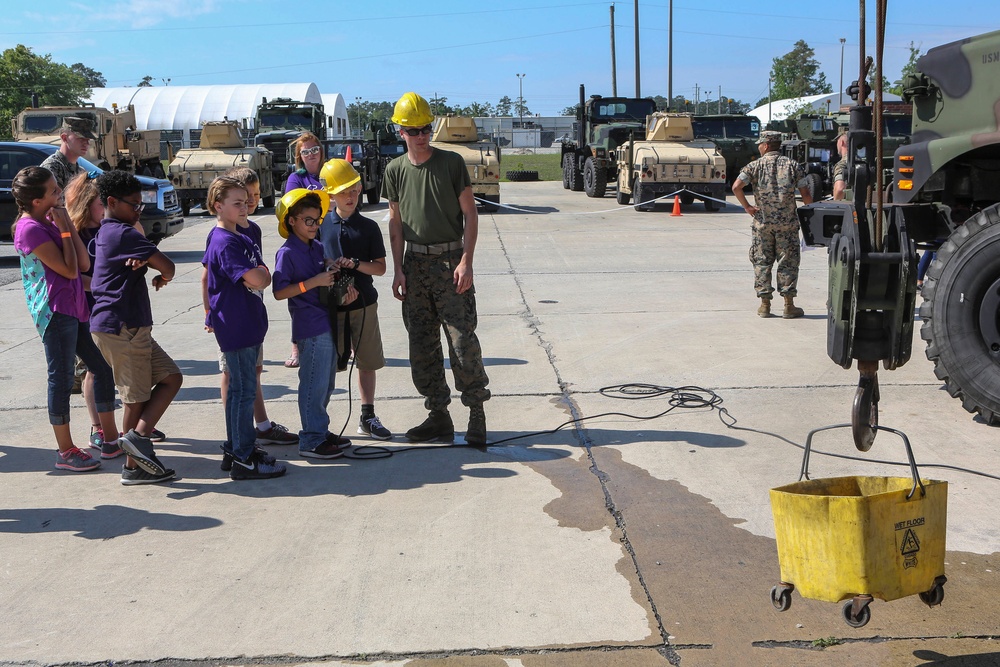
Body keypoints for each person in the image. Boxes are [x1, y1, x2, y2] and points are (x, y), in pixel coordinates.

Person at [382, 92, 490, 446]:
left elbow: (470, 214)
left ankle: (476, 413)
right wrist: (398, 270)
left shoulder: (451, 163)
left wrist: (466, 261)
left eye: (426, 128)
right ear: (400, 131)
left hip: (450, 263)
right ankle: (438, 416)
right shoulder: (395, 170)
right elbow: (395, 224)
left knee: (462, 342)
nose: (421, 135)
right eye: (413, 130)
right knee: (422, 346)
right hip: (414, 266)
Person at [11, 166, 118, 472]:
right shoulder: (30, 228)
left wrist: (66, 221)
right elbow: (69, 271)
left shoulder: (52, 220)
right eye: (54, 191)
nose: (60, 194)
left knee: (101, 368)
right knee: (60, 379)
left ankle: (108, 438)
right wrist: (65, 229)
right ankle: (65, 450)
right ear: (36, 201)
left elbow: (83, 262)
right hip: (54, 311)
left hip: (72, 307)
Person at [90, 171, 181, 485]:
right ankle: (133, 467)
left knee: (171, 377)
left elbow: (148, 259)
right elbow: (168, 266)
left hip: (122, 326)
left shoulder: (110, 231)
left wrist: (144, 260)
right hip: (124, 326)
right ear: (112, 202)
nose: (139, 211)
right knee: (135, 398)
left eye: (142, 205)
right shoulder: (124, 234)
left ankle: (138, 440)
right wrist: (159, 272)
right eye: (134, 206)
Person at [199, 166, 298, 450]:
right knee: (238, 387)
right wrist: (209, 311)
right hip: (233, 322)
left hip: (249, 318)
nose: (248, 205)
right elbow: (257, 277)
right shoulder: (223, 240)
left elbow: (260, 275)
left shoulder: (246, 233)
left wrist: (261, 274)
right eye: (240, 201)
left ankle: (243, 443)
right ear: (219, 205)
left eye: (251, 198)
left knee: (248, 381)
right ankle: (241, 447)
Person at [273, 189, 358, 459]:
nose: (314, 226)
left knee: (326, 381)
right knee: (313, 382)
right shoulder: (286, 253)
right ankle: (310, 438)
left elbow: (322, 275)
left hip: (326, 318)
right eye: (308, 220)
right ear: (291, 221)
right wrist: (315, 282)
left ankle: (319, 430)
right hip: (309, 325)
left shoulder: (317, 247)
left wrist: (332, 271)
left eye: (317, 220)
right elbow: (279, 291)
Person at [319, 158, 392, 440]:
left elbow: (381, 267)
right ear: (330, 195)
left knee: (367, 362)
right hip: (331, 305)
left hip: (364, 304)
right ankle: (319, 422)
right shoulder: (322, 225)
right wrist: (329, 266)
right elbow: (313, 260)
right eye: (342, 192)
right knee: (329, 364)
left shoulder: (369, 227)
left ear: (361, 187)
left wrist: (355, 264)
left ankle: (367, 415)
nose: (349, 196)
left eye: (353, 189)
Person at [65, 171, 129, 459]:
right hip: (88, 309)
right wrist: (105, 285)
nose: (105, 207)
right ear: (86, 204)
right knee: (95, 368)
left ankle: (126, 424)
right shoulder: (78, 234)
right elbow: (79, 276)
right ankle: (98, 428)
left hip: (112, 307)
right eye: (100, 202)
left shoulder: (108, 228)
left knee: (116, 366)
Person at [731, 130, 813, 319]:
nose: (758, 147)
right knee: (788, 262)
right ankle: (788, 305)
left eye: (760, 144)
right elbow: (806, 195)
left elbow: (736, 187)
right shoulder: (793, 166)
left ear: (766, 145)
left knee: (762, 262)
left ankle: (765, 305)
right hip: (788, 225)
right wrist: (811, 216)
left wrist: (748, 207)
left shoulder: (753, 166)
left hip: (763, 224)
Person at [282, 132, 325, 368]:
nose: (311, 154)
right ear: (299, 156)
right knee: (299, 296)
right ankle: (296, 347)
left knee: (334, 290)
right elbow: (293, 204)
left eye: (314, 149)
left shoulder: (329, 173)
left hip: (326, 239)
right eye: (306, 151)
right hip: (303, 243)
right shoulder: (295, 178)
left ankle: (344, 342)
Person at [40, 117, 96, 189]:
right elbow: (56, 199)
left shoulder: (80, 171)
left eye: (88, 139)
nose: (87, 143)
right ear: (64, 138)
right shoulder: (52, 167)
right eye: (81, 139)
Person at [832, 132, 849, 201]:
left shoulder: (843, 164)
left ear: (842, 142)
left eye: (837, 141)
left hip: (847, 207)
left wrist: (836, 205)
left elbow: (840, 189)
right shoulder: (861, 161)